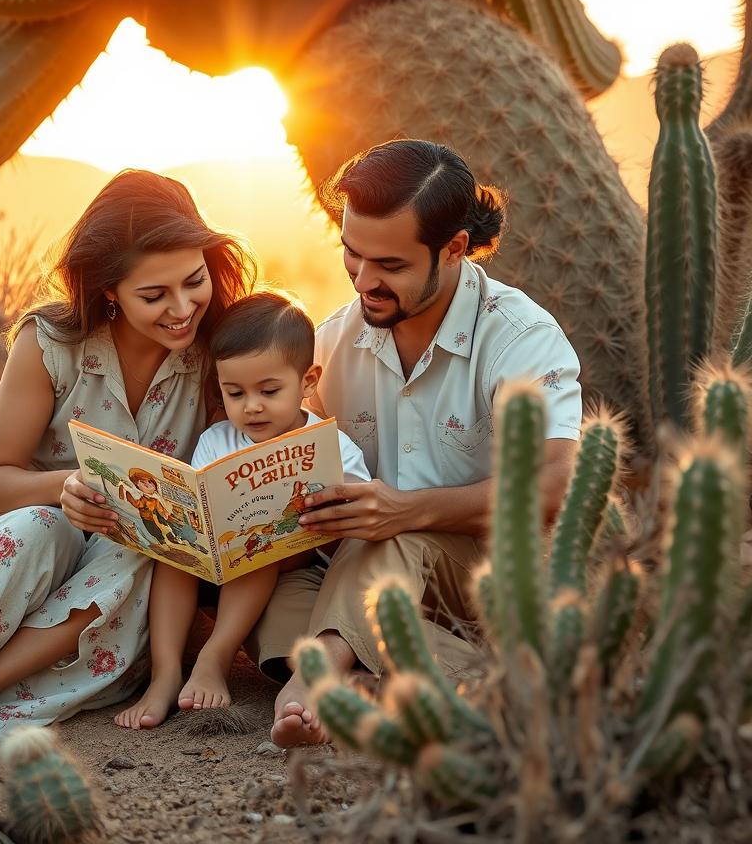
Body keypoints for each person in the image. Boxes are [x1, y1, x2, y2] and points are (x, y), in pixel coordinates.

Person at [0, 170, 256, 749]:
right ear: (109, 290)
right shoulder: (50, 345)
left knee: (142, 536)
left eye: (195, 281)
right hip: (15, 532)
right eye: (154, 295)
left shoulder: (219, 350)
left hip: (124, 581)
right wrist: (68, 486)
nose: (183, 307)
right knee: (41, 528)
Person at [248, 140, 583, 748]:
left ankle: (322, 675)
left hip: (495, 580)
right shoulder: (331, 344)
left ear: (454, 248)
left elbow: (557, 486)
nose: (365, 280)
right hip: (371, 586)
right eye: (352, 255)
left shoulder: (520, 338)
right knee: (274, 599)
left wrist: (408, 511)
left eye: (391, 266)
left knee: (388, 540)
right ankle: (394, 687)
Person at [113, 291, 370, 729]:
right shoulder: (218, 440)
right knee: (173, 551)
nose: (251, 406)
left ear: (308, 381)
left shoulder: (331, 444)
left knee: (258, 543)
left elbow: (358, 511)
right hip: (215, 567)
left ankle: (214, 657)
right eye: (234, 393)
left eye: (269, 391)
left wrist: (334, 499)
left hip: (291, 563)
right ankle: (166, 674)